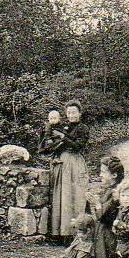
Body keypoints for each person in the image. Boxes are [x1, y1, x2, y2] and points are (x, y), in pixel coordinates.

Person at [47, 101, 90, 241]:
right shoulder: (63, 127)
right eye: (69, 112)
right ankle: (61, 232)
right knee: (62, 197)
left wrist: (63, 138)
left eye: (74, 112)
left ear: (79, 113)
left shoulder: (83, 128)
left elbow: (78, 146)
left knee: (75, 196)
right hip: (62, 164)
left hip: (75, 163)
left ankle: (74, 233)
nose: (71, 115)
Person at [90, 156, 128, 258]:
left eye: (103, 172)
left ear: (114, 175)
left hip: (108, 233)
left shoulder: (115, 193)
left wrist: (96, 203)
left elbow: (104, 216)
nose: (100, 175)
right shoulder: (108, 190)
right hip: (102, 231)